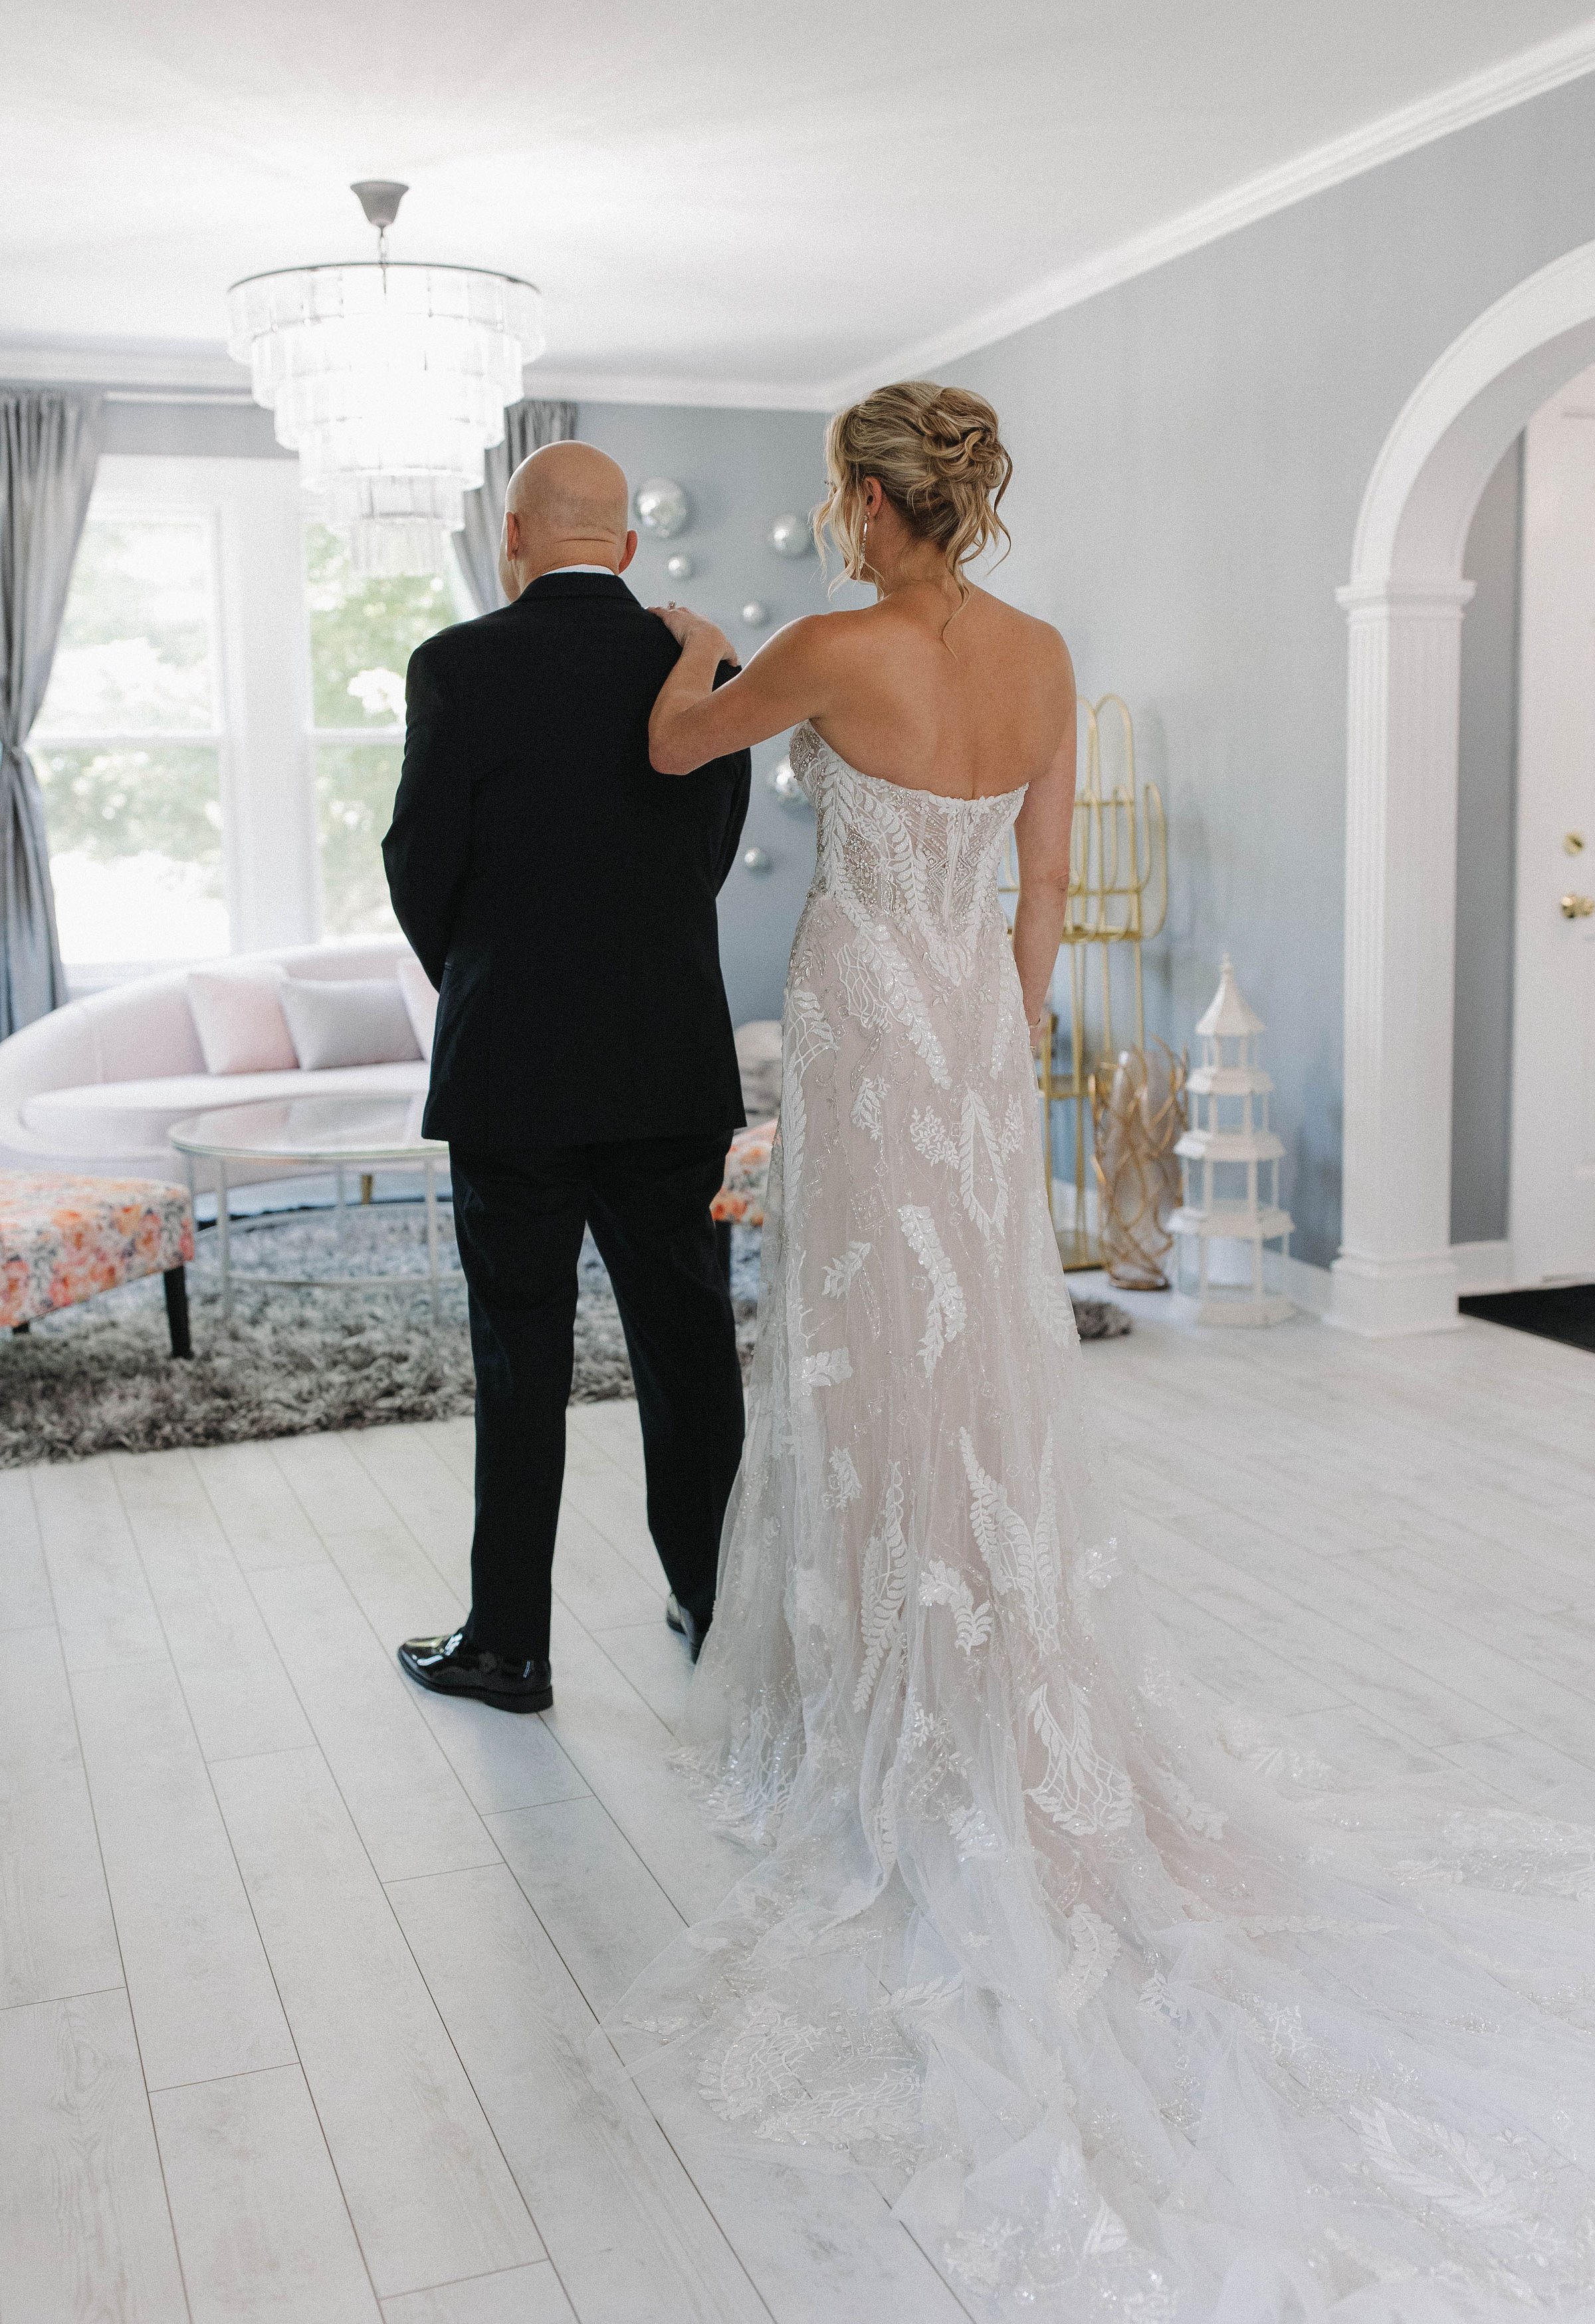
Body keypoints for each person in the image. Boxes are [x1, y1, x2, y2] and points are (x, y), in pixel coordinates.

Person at [613, 383, 1595, 2318]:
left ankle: (883, 1675)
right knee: (968, 1343)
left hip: (860, 1025)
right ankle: (974, 1639)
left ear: (872, 505)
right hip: (976, 1030)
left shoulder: (822, 644)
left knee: (862, 1347)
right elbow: (1043, 883)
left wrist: (692, 642)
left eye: (844, 498)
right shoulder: (1050, 654)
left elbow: (672, 754)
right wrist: (999, 1032)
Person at [382, 441, 749, 1713]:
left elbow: (420, 862)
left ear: (515, 539)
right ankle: (713, 1602)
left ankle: (508, 1645)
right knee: (690, 1342)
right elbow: (708, 850)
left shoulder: (458, 666)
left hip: (513, 1070)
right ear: (629, 549)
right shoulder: (705, 667)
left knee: (520, 1352)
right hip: (669, 1064)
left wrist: (487, 975)